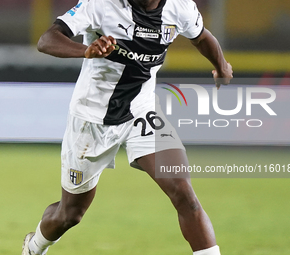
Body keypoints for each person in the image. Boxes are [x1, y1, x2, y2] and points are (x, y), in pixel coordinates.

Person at [22, 0, 233, 254]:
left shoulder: (180, 7)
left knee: (183, 193)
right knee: (70, 214)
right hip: (92, 120)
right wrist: (85, 50)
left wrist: (221, 66)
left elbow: (201, 37)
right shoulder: (100, 5)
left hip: (141, 112)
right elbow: (47, 40)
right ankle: (35, 246)